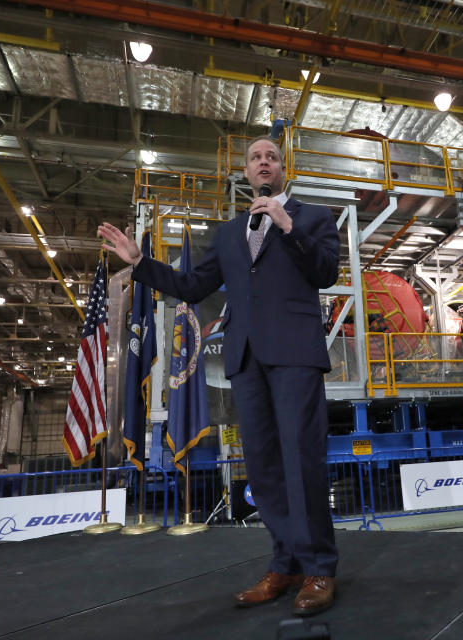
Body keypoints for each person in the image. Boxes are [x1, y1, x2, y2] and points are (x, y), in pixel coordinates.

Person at [99, 135, 341, 616]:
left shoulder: (313, 217)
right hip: (246, 360)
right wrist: (140, 263)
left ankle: (319, 569)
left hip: (295, 355)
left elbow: (327, 271)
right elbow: (192, 285)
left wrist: (288, 225)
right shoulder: (230, 233)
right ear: (246, 173)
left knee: (301, 461)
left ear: (282, 168)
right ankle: (285, 562)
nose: (264, 162)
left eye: (271, 156)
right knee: (265, 468)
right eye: (255, 158)